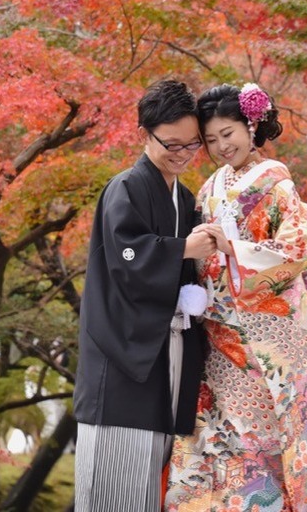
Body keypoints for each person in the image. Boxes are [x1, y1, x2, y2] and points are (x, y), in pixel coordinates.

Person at [165, 83, 307, 511]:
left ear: (252, 126)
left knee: (258, 440)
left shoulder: (277, 187)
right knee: (213, 433)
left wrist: (236, 250)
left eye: (227, 133)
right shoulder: (212, 186)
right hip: (216, 334)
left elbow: (298, 250)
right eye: (211, 140)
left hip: (260, 342)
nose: (220, 146)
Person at [74, 79, 220, 512]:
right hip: (121, 364)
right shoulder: (126, 188)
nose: (182, 154)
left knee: (147, 491)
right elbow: (127, 259)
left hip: (163, 359)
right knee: (110, 491)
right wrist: (182, 249)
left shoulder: (185, 197)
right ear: (145, 133)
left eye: (192, 145)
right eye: (170, 144)